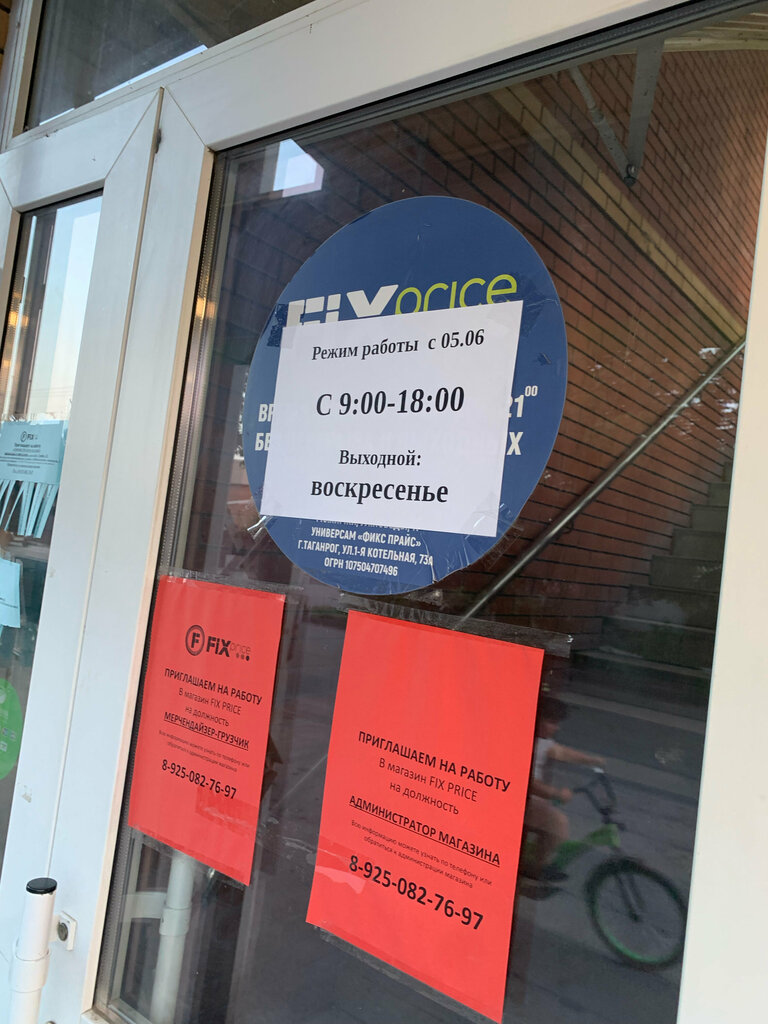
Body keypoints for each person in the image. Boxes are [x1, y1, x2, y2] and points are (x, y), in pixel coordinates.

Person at [523, 695, 605, 881]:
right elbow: (526, 781)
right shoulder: (526, 741)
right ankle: (535, 868)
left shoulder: (542, 741)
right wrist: (556, 793)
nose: (556, 727)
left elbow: (562, 752)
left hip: (532, 798)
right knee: (558, 824)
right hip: (520, 800)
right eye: (551, 722)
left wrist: (591, 760)